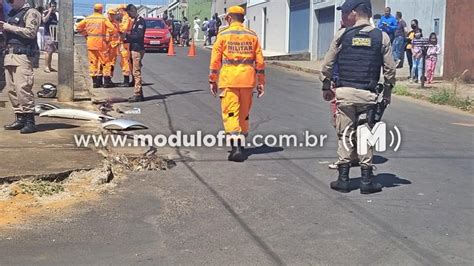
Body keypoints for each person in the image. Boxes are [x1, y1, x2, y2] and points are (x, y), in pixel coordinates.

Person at [320, 0, 396, 194]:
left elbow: (328, 64)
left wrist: (326, 85)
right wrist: (387, 93)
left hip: (345, 95)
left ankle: (343, 180)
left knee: (345, 135)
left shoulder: (343, 35)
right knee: (365, 137)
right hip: (368, 96)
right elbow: (389, 70)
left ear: (354, 12)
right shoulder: (382, 37)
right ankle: (366, 181)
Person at [209, 6, 265, 162]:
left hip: (229, 81)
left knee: (231, 112)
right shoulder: (252, 36)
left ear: (228, 18)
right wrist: (261, 82)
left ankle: (236, 148)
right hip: (248, 81)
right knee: (243, 114)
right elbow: (260, 62)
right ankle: (241, 143)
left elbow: (215, 61)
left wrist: (212, 80)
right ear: (243, 18)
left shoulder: (223, 35)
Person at [1, 0, 41, 134]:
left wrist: (9, 27)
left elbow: (31, 32)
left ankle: (30, 121)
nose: (10, 3)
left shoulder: (31, 13)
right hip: (9, 54)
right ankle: (20, 118)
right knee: (12, 90)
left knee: (23, 88)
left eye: (11, 0)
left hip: (22, 55)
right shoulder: (13, 13)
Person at [76, 3, 114, 88]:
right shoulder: (103, 19)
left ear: (94, 9)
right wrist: (108, 36)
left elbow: (78, 27)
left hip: (90, 43)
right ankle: (106, 82)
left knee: (93, 62)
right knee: (105, 62)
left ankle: (95, 82)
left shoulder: (88, 18)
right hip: (101, 43)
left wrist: (85, 34)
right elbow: (112, 29)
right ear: (101, 10)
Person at [124, 4, 146, 102]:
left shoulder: (140, 21)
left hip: (137, 49)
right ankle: (140, 93)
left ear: (133, 11)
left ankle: (137, 94)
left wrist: (128, 36)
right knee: (135, 71)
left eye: (129, 13)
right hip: (135, 47)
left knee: (136, 72)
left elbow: (139, 36)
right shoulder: (135, 21)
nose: (129, 16)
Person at [102, 8, 121, 88]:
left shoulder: (116, 23)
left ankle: (109, 79)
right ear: (108, 14)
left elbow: (118, 33)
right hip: (105, 46)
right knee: (105, 63)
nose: (112, 16)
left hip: (113, 46)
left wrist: (118, 42)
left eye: (113, 14)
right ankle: (104, 80)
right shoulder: (104, 22)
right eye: (111, 14)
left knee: (112, 63)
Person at [117, 4, 133, 87]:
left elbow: (124, 29)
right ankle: (131, 79)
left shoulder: (126, 17)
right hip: (125, 40)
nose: (118, 12)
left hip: (125, 41)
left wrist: (117, 27)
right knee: (127, 60)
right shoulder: (125, 17)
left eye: (119, 10)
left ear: (122, 10)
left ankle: (126, 80)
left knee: (125, 60)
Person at [42, 1, 57, 73]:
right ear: (49, 6)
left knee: (51, 51)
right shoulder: (45, 13)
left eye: (54, 6)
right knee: (48, 51)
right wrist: (49, 12)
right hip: (47, 34)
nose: (53, 8)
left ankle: (50, 66)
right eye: (52, 6)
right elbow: (44, 20)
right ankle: (46, 67)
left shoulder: (55, 15)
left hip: (53, 35)